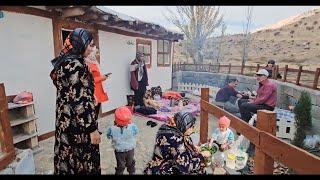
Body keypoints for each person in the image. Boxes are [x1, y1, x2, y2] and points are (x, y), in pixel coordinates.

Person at [50, 28, 101, 174]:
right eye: (90, 44)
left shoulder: (64, 62)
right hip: (78, 125)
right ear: (80, 43)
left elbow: (69, 90)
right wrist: (92, 129)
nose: (92, 48)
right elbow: (80, 102)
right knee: (82, 162)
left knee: (67, 159)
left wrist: (90, 94)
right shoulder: (77, 66)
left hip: (64, 120)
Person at [144, 112, 210, 175]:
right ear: (185, 126)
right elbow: (185, 167)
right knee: (197, 168)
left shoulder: (166, 128)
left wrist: (193, 147)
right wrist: (201, 156)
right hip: (163, 169)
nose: (193, 130)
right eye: (192, 127)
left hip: (155, 165)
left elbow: (182, 142)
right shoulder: (176, 139)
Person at [106, 106, 138, 175]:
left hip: (119, 151)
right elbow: (136, 132)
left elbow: (108, 136)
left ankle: (119, 173)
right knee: (131, 163)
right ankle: (132, 172)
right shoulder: (132, 126)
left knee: (120, 165)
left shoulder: (111, 129)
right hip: (130, 149)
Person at [85, 46, 109, 120]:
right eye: (96, 53)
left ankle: (96, 128)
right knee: (93, 112)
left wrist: (103, 76)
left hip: (99, 90)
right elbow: (88, 80)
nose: (97, 55)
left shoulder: (95, 63)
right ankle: (93, 129)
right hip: (94, 91)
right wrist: (102, 78)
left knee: (96, 111)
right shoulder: (87, 64)